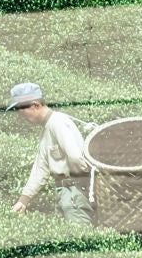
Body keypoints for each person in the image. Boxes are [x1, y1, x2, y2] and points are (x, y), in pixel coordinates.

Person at [8, 82, 93, 226]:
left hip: (75, 192)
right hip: (65, 191)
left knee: (80, 237)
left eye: (21, 109)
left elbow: (76, 156)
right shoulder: (47, 129)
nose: (20, 115)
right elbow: (41, 168)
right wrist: (23, 200)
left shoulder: (58, 123)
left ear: (35, 105)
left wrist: (84, 182)